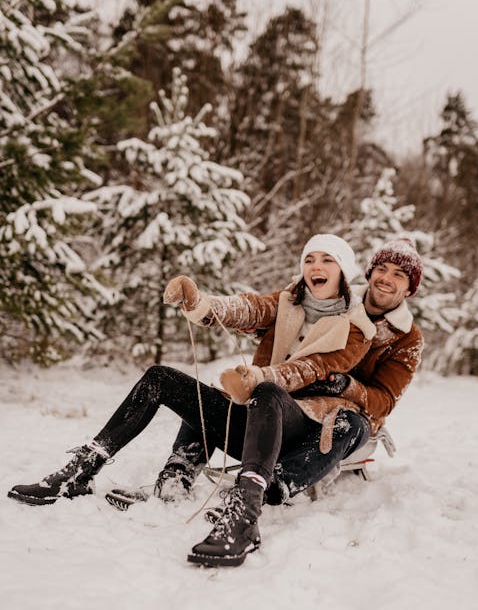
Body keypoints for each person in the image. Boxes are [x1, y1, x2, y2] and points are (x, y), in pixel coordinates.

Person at [8, 233, 376, 568]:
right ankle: (83, 469)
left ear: (343, 271)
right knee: (160, 378)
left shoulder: (358, 327)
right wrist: (199, 302)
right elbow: (247, 309)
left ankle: (245, 512)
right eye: (310, 259)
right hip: (256, 425)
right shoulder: (287, 303)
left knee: (267, 392)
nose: (316, 267)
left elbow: (316, 368)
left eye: (327, 260)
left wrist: (263, 376)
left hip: (299, 433)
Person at [267, 236, 425, 503]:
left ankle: (280, 483)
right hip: (306, 394)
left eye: (399, 275)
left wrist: (346, 387)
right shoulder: (338, 299)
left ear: (409, 289)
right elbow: (289, 318)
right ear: (370, 272)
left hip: (354, 413)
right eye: (382, 269)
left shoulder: (407, 338)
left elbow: (384, 400)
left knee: (348, 424)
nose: (386, 278)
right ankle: (182, 466)